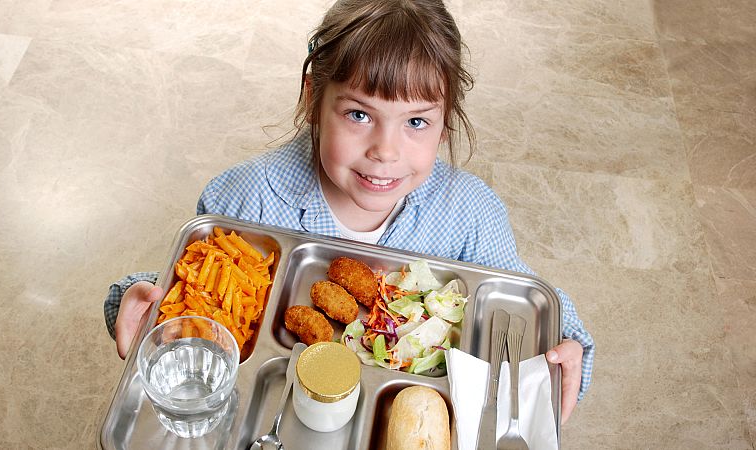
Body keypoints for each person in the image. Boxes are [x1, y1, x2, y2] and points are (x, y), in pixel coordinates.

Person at [103, 0, 595, 424]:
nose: (385, 150)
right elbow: (192, 300)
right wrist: (139, 300)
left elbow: (526, 301)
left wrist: (567, 346)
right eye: (359, 114)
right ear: (312, 97)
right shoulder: (245, 196)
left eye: (417, 121)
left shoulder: (470, 213)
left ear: (445, 125)